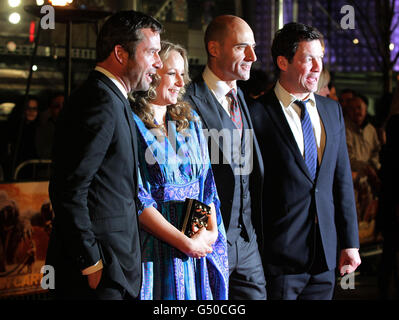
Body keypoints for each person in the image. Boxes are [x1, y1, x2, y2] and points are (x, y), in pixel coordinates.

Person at [45, 10, 163, 300]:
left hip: (114, 269)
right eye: (152, 53)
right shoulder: (98, 101)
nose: (158, 64)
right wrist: (92, 264)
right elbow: (68, 190)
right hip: (99, 275)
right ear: (120, 53)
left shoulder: (111, 97)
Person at [248, 22, 361, 300]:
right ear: (283, 62)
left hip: (325, 259)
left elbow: (341, 180)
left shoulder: (331, 109)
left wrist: (350, 243)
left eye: (320, 58)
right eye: (308, 59)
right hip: (277, 259)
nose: (316, 67)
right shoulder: (256, 115)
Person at [130, 41, 228, 300]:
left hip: (195, 246)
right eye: (172, 73)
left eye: (183, 74)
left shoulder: (190, 121)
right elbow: (139, 199)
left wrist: (210, 232)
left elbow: (205, 184)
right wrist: (185, 243)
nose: (180, 81)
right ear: (152, 74)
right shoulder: (133, 124)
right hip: (154, 249)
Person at [185, 15, 267, 300]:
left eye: (253, 47)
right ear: (214, 49)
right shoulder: (186, 101)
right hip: (208, 241)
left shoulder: (242, 98)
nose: (252, 56)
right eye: (241, 47)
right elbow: (185, 179)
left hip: (248, 243)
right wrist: (195, 238)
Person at [36, 93, 65, 160]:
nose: (61, 109)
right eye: (57, 106)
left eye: (64, 105)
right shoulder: (45, 128)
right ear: (51, 109)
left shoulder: (74, 126)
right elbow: (43, 152)